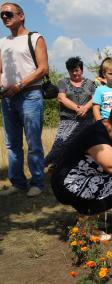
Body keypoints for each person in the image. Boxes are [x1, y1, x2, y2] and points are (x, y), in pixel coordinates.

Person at [0, 2, 48, 197]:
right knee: (12, 143)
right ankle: (18, 183)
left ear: (21, 15)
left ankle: (37, 182)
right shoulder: (3, 42)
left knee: (33, 141)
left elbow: (43, 68)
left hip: (30, 95)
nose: (4, 17)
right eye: (1, 14)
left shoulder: (35, 38)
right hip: (7, 98)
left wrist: (19, 85)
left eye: (8, 13)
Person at [45, 56, 96, 167]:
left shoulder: (90, 83)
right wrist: (79, 108)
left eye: (77, 70)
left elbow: (95, 98)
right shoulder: (63, 82)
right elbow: (61, 98)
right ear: (68, 71)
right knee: (60, 143)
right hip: (67, 119)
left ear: (81, 70)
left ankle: (76, 166)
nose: (74, 73)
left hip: (86, 120)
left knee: (84, 145)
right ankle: (45, 164)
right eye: (71, 70)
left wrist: (85, 108)